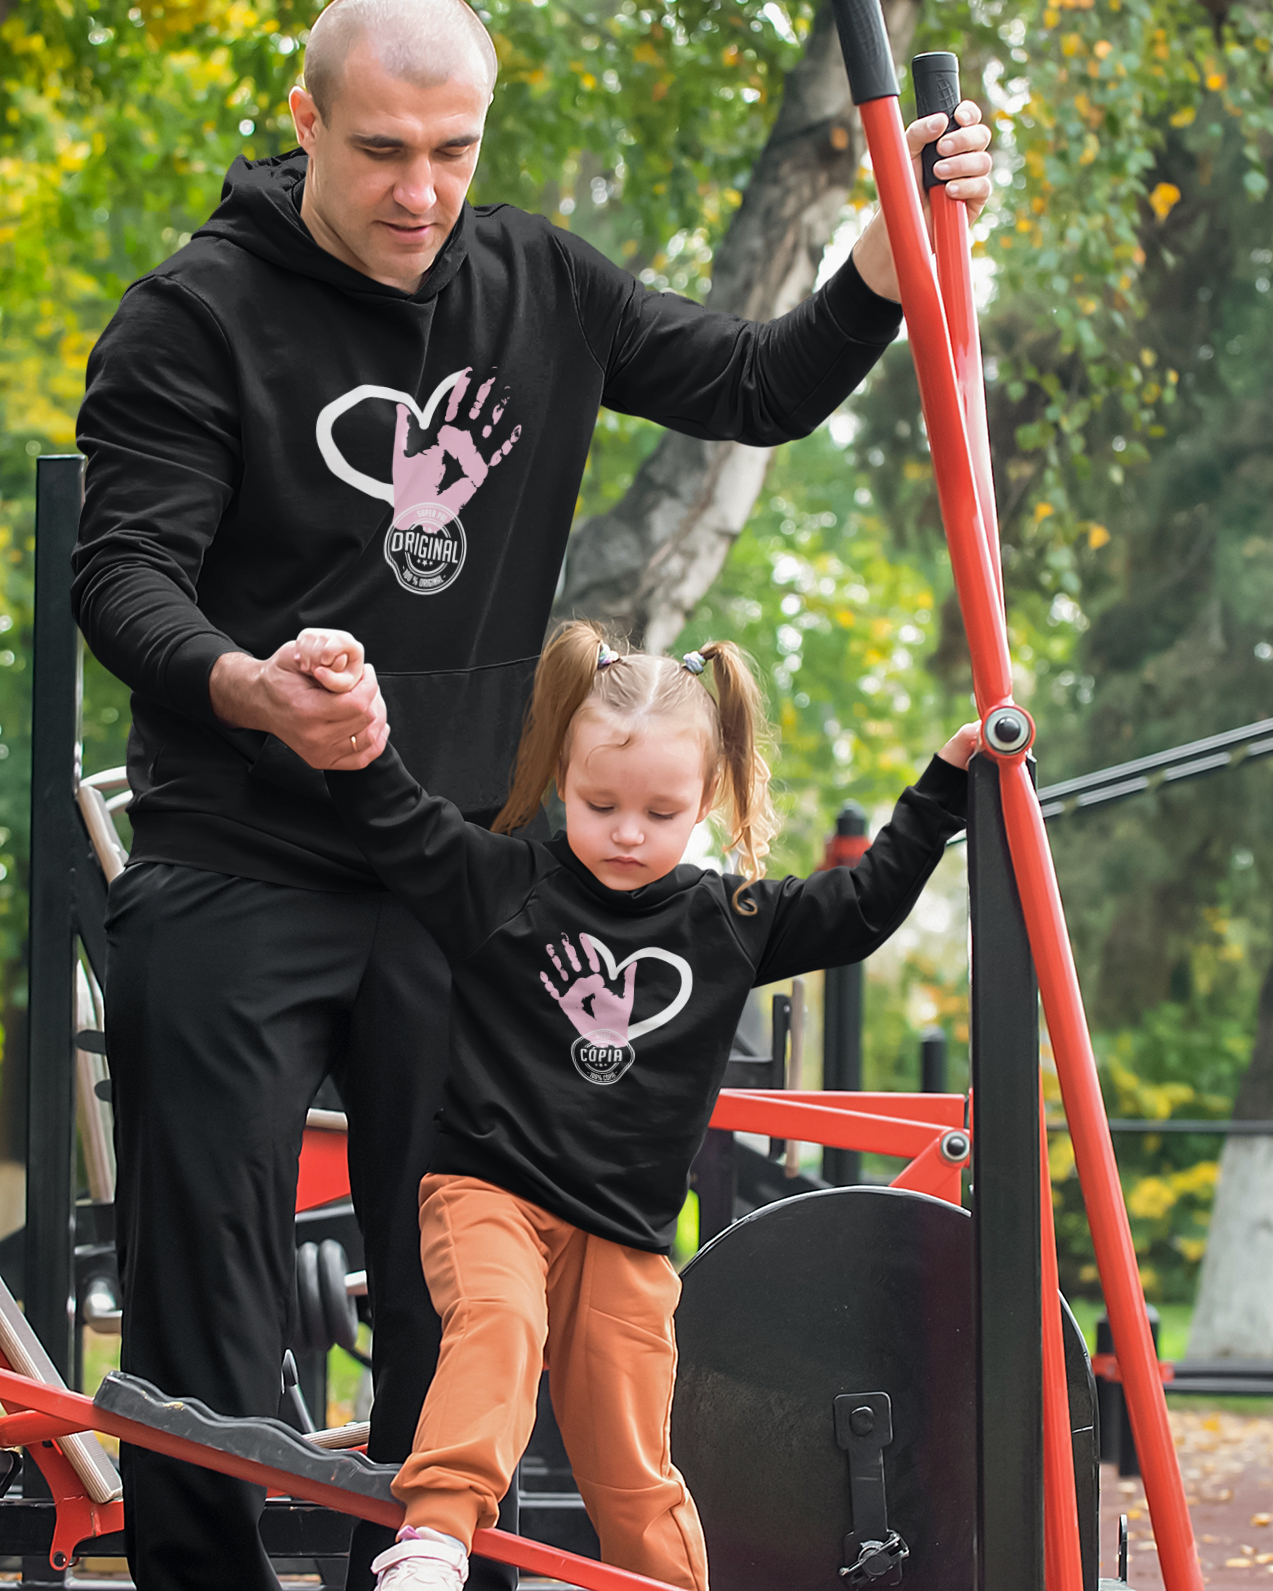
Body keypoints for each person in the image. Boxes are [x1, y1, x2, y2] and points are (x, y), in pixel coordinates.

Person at [71, 0, 993, 1583]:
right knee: (206, 1284)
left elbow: (759, 386)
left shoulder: (538, 282)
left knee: (473, 1290)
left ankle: (450, 1569)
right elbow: (125, 577)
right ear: (305, 120)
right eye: (382, 151)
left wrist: (882, 256)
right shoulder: (194, 316)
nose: (420, 191)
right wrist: (250, 686)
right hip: (236, 854)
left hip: (462, 879)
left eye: (453, 152)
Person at [283, 620, 977, 1591]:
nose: (625, 831)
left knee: (632, 1458)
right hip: (491, 1194)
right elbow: (398, 821)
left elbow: (859, 906)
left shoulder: (728, 921)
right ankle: (435, 1535)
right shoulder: (504, 885)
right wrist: (354, 730)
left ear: (706, 799)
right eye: (599, 802)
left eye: (660, 811)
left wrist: (945, 784)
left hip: (622, 1235)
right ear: (561, 778)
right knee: (497, 1323)